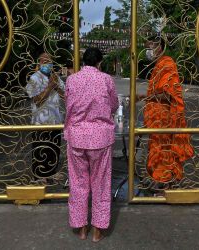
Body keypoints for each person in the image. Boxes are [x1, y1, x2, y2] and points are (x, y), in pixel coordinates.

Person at [64, 48, 119, 242]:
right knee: (101, 184)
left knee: (78, 184)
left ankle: (81, 229)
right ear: (99, 63)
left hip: (77, 137)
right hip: (100, 139)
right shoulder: (106, 79)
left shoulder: (72, 79)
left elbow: (68, 105)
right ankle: (97, 230)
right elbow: (113, 105)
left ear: (83, 62)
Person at [137, 35, 194, 186]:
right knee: (158, 150)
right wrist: (145, 96)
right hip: (156, 118)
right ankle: (162, 182)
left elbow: (168, 94)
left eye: (150, 47)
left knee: (163, 151)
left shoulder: (167, 63)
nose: (148, 51)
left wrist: (148, 96)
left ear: (159, 47)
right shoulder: (159, 64)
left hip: (163, 118)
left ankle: (164, 184)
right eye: (147, 48)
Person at [26, 53, 65, 181]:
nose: (47, 64)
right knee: (40, 149)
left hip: (55, 120)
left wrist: (56, 85)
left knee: (53, 149)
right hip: (40, 122)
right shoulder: (34, 78)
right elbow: (37, 100)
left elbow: (65, 96)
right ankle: (38, 176)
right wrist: (49, 86)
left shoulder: (56, 78)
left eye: (49, 61)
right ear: (39, 63)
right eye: (45, 61)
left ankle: (51, 173)